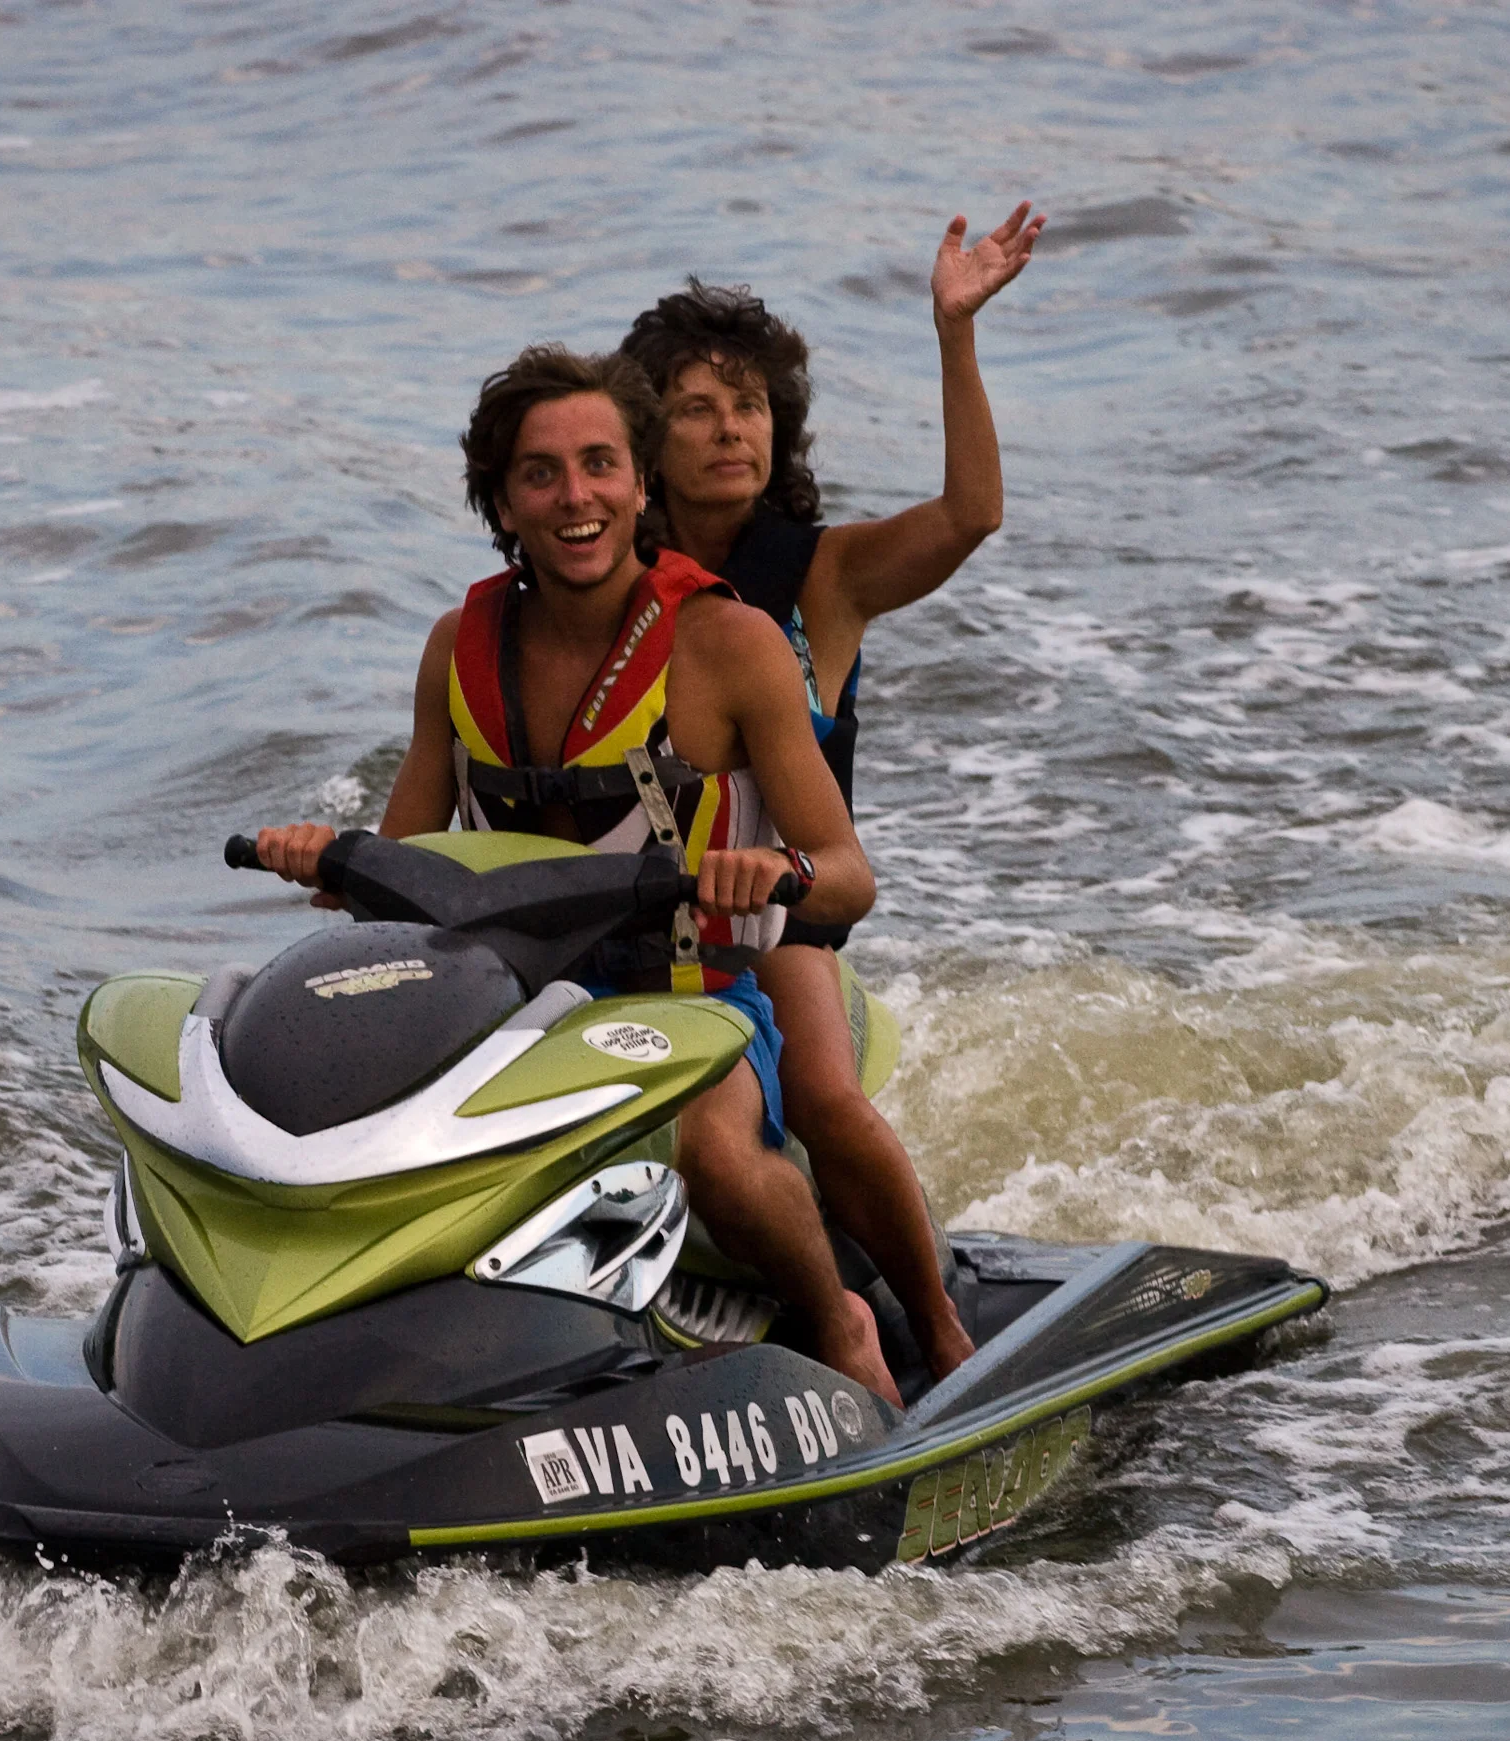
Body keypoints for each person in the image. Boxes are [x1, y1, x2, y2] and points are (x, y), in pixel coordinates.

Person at [250, 346, 908, 1405]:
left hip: (688, 1005)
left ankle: (847, 1325)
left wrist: (773, 870)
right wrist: (322, 857)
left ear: (643, 486)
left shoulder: (730, 643)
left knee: (718, 1157)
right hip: (507, 1012)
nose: (575, 497)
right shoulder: (455, 648)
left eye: (601, 464)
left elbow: (849, 877)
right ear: (502, 502)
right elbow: (399, 872)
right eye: (540, 473)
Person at [619, 204, 1044, 1386]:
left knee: (816, 1088)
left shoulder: (825, 576)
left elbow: (971, 515)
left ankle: (936, 1324)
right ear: (645, 437)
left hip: (787, 910)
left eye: (750, 404)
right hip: (635, 911)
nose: (730, 428)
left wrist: (954, 334)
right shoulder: (608, 583)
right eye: (696, 408)